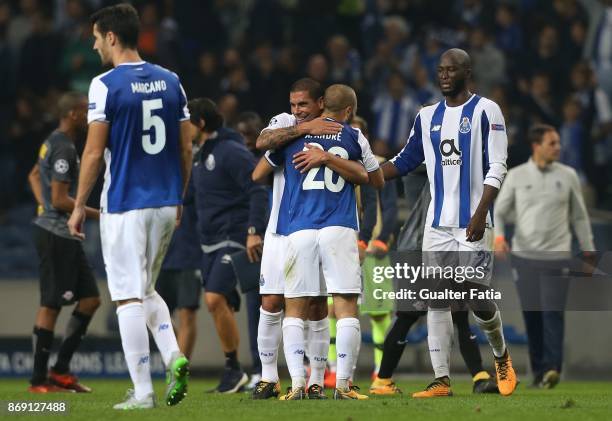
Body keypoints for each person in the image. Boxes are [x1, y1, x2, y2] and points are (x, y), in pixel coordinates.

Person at [67, 3, 192, 409]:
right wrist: (180, 196)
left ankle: (143, 393)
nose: (93, 44)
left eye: (97, 37)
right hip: (164, 203)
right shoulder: (172, 80)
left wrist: (78, 205)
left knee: (126, 297)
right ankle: (173, 355)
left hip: (124, 202)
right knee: (146, 287)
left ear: (112, 37)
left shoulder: (105, 85)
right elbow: (186, 146)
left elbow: (92, 152)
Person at [381, 48, 517, 397]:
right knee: (436, 299)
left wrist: (481, 212)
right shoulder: (426, 116)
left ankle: (501, 355)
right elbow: (405, 160)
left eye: (451, 69)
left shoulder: (487, 110)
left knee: (475, 297)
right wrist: (366, 174)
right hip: (436, 225)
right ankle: (441, 379)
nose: (443, 75)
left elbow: (498, 165)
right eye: (439, 69)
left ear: (467, 72)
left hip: (473, 221)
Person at [251, 78, 382, 399]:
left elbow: (257, 173)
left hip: (298, 228)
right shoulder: (354, 136)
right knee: (344, 306)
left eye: (302, 106)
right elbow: (372, 179)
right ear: (350, 110)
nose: (296, 112)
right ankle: (342, 384)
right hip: (338, 225)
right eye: (293, 106)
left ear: (322, 103)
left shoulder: (288, 141)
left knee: (295, 307)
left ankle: (298, 382)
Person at [369, 164, 498, 395]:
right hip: (421, 247)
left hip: (433, 245)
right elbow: (413, 163)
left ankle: (479, 377)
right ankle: (383, 379)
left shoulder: (433, 167)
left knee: (457, 312)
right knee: (408, 315)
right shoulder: (426, 166)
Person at [494, 124, 595, 389]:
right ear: (536, 145)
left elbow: (579, 217)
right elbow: (500, 212)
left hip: (557, 256)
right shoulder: (516, 176)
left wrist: (588, 251)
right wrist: (500, 237)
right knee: (533, 316)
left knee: (552, 312)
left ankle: (552, 369)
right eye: (552, 143)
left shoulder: (569, 175)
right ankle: (538, 371)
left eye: (558, 143)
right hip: (524, 258)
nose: (558, 147)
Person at [188, 98, 268, 393]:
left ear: (201, 124)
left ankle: (250, 369)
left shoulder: (230, 151)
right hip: (208, 240)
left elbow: (257, 189)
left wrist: (253, 231)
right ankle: (234, 370)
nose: (182, 128)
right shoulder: (200, 154)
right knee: (217, 304)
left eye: (187, 122)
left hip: (232, 236)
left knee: (213, 299)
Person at [27, 92, 101, 394]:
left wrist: (42, 205)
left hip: (61, 233)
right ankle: (38, 380)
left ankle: (59, 371)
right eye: (85, 111)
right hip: (55, 235)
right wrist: (101, 214)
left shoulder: (52, 141)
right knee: (51, 305)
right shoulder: (63, 148)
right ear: (72, 114)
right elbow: (59, 198)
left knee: (90, 300)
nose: (88, 116)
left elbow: (33, 175)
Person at [155, 198, 202, 360]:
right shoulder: (157, 176)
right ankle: (175, 359)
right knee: (153, 314)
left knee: (187, 313)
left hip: (190, 253)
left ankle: (179, 376)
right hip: (160, 255)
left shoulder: (195, 174)